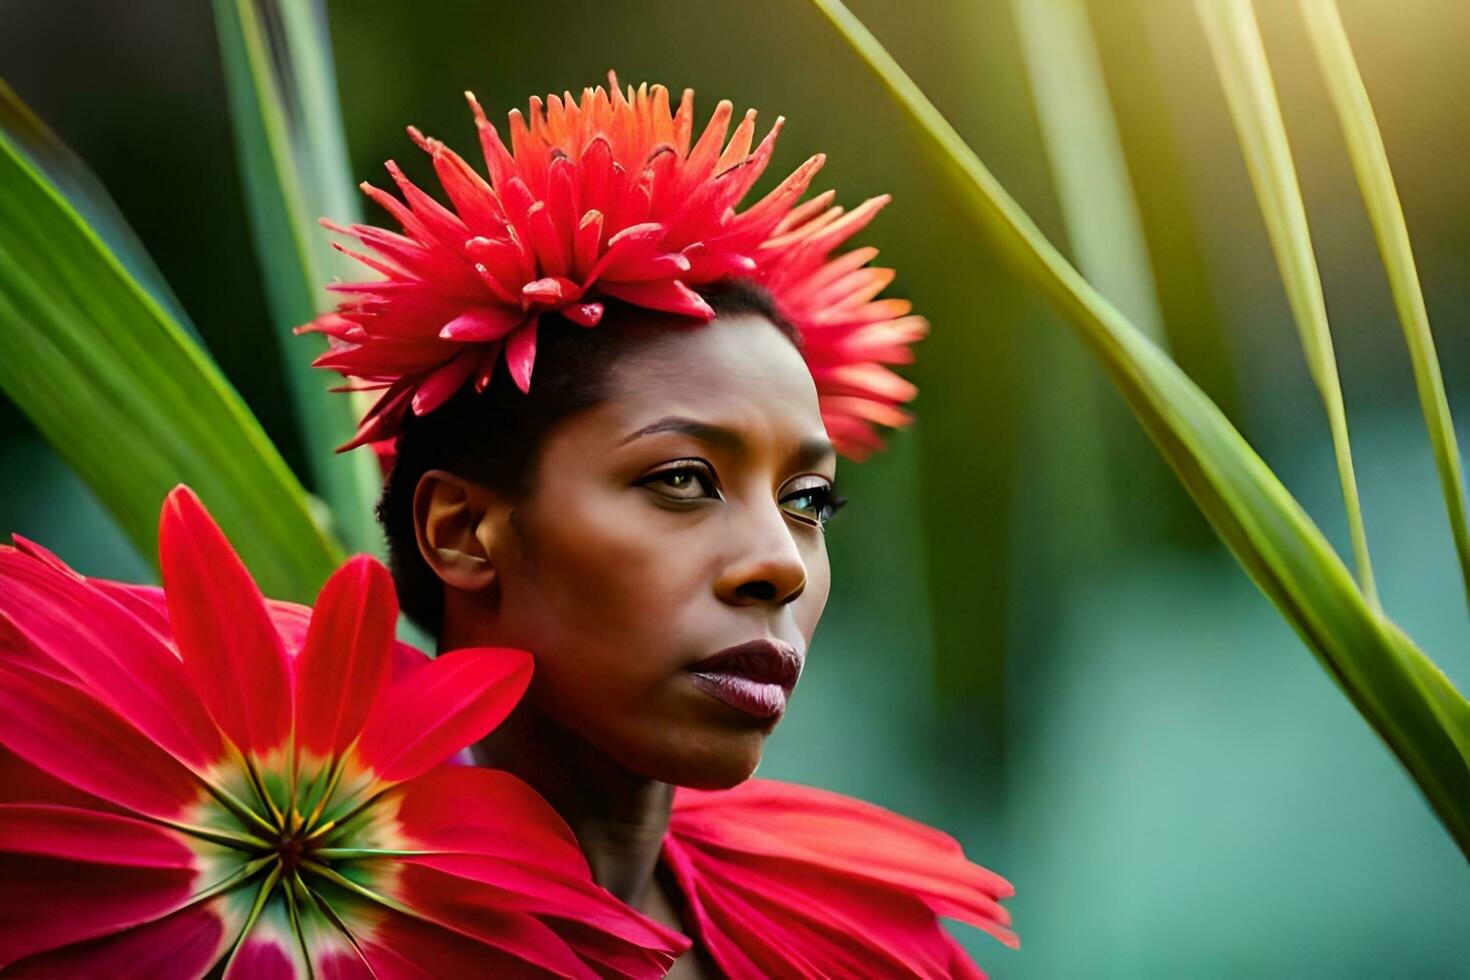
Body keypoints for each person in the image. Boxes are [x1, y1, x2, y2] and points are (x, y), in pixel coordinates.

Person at [305, 75, 1018, 978]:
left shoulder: (865, 950)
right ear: (461, 531)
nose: (779, 566)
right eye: (683, 479)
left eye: (809, 501)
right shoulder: (273, 915)